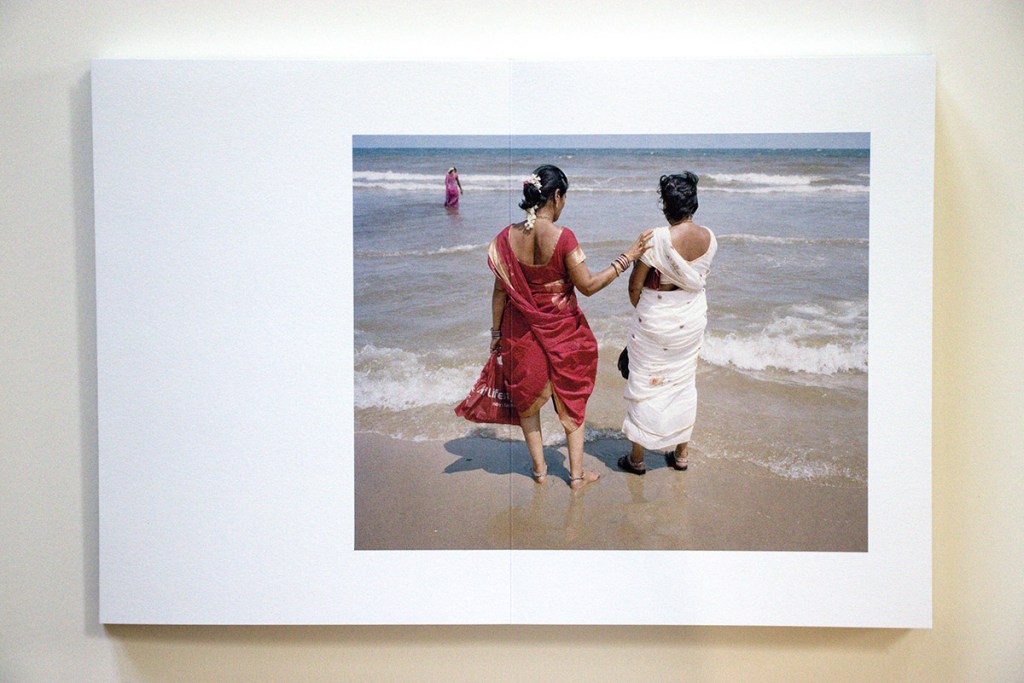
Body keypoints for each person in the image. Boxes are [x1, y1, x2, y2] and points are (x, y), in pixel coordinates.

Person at [477, 165, 651, 490]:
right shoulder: (563, 237)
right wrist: (627, 258)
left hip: (520, 333)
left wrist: (496, 334)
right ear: (556, 196)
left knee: (527, 403)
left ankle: (540, 471)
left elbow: (500, 292)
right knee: (571, 401)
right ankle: (576, 476)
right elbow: (588, 286)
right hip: (564, 334)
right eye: (565, 197)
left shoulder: (506, 238)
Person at [618, 172, 717, 475]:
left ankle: (637, 459)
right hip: (691, 319)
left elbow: (634, 287)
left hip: (655, 320)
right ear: (694, 203)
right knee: (684, 382)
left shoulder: (654, 238)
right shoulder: (710, 238)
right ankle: (682, 454)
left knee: (643, 381)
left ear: (665, 206)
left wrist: (648, 312)